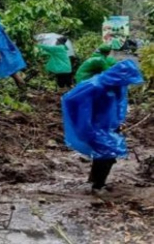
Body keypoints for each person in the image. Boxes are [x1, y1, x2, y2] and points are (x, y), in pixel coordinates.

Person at [62, 60, 144, 193]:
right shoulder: (95, 85)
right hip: (94, 127)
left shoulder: (117, 86)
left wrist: (118, 122)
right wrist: (86, 127)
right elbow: (73, 100)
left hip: (107, 127)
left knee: (104, 155)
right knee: (107, 155)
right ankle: (97, 187)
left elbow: (119, 104)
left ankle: (93, 182)